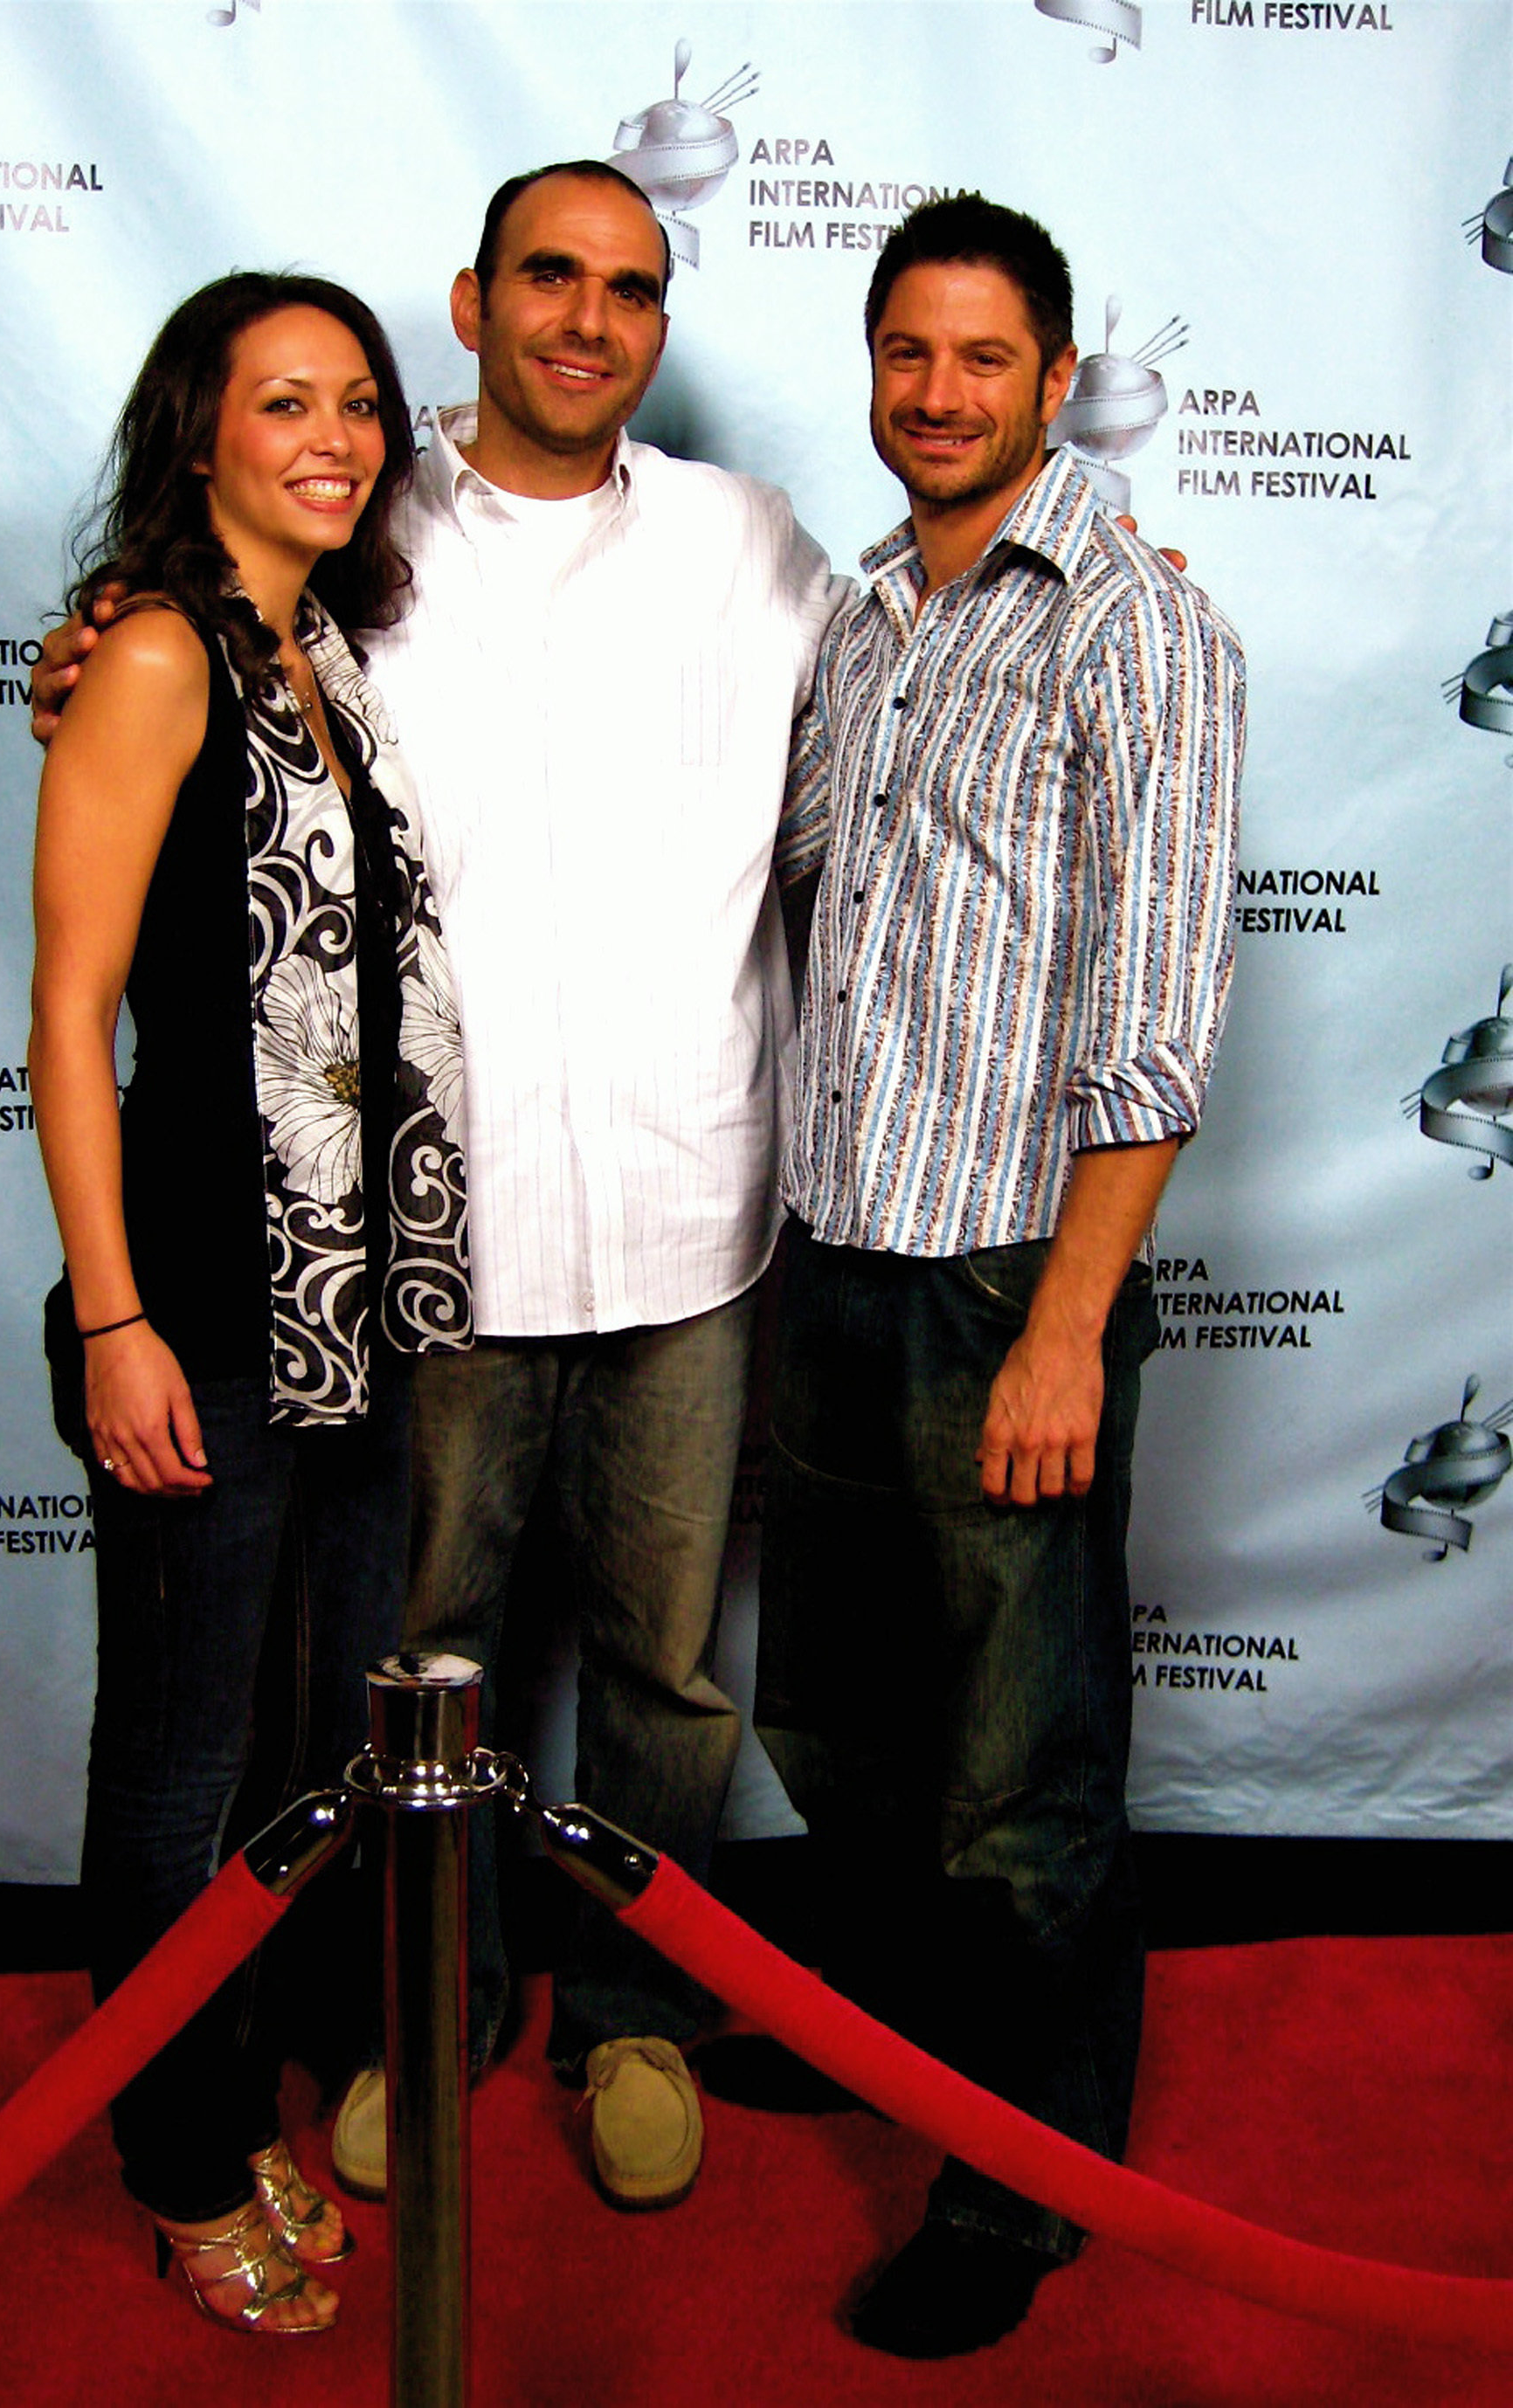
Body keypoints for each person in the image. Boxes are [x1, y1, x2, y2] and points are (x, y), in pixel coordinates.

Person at [34, 162, 845, 2213]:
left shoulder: (751, 545)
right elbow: (173, 722)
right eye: (549, 279)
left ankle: (635, 2016)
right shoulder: (350, 533)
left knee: (664, 1671)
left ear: (659, 327)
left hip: (682, 1214)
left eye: (632, 289)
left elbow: (895, 734)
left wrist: (1089, 591)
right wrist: (100, 653)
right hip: (424, 1263)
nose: (590, 317)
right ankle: (419, 2008)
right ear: (473, 307)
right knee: (415, 1671)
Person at [758, 196, 1244, 2358]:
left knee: (1018, 1774)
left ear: (1056, 377)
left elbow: (1153, 1008)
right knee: (849, 1721)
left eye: (980, 359)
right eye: (902, 354)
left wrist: (1063, 1320)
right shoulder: (860, 610)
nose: (933, 394)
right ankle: (897, 2046)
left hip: (996, 1281)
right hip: (830, 1249)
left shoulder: (1130, 623)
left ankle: (1020, 2186)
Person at [27, 271, 471, 2334]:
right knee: (176, 1764)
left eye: (362, 400)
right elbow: (65, 1006)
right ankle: (178, 2156)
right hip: (202, 1298)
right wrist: (112, 1322)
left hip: (353, 1303)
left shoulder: (322, 651)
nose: (335, 431)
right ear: (193, 427)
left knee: (312, 1738)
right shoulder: (148, 654)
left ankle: (226, 2085)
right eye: (282, 397)